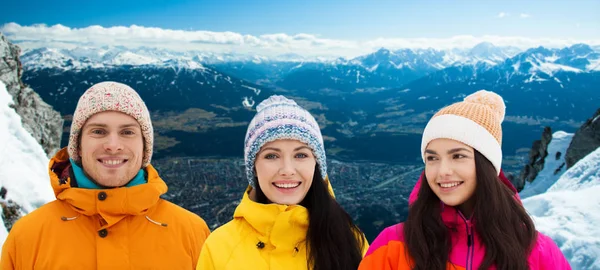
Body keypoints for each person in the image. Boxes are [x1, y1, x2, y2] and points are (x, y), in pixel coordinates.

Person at [1, 81, 210, 269]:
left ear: (145, 147)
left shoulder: (191, 233)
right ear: (78, 146)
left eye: (127, 132)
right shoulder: (29, 237)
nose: (113, 146)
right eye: (98, 131)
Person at [359, 90, 571, 270]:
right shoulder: (393, 245)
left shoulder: (538, 252)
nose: (442, 171)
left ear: (486, 164)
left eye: (458, 156)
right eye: (432, 158)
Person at [197, 95, 368, 270]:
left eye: (300, 155)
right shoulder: (220, 248)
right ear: (253, 167)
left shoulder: (350, 239)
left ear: (316, 164)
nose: (287, 169)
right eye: (271, 156)